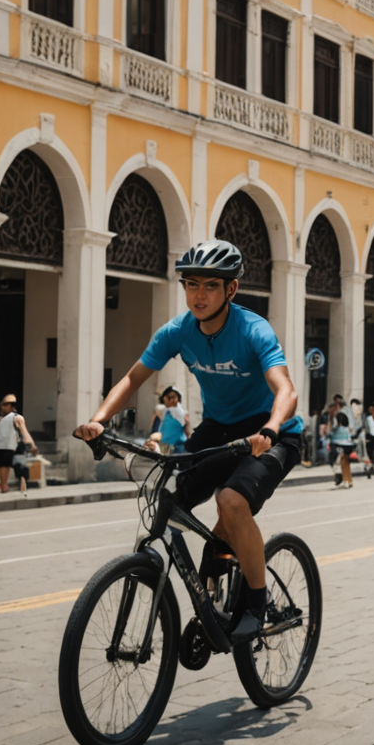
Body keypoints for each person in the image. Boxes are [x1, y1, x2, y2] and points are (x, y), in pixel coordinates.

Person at [77, 239, 303, 643]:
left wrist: (270, 429)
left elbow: (285, 387)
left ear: (230, 290)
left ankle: (255, 602)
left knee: (231, 501)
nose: (198, 295)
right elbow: (132, 379)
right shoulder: (178, 331)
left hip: (274, 432)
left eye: (210, 286)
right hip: (218, 428)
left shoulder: (253, 329)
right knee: (170, 501)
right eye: (191, 284)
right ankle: (217, 564)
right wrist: (98, 421)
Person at [0, 395, 36, 494]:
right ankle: (2, 484)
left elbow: (23, 430)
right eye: (3, 405)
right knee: (0, 465)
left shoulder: (15, 417)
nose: (4, 407)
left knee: (5, 465)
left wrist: (31, 444)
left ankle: (4, 485)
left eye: (7, 405)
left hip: (8, 445)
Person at [151, 386, 188, 454]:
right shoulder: (167, 410)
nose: (171, 400)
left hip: (175, 446)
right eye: (168, 397)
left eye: (173, 397)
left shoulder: (178, 411)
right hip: (166, 445)